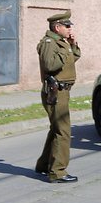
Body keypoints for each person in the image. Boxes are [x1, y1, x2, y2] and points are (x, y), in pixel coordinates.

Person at [35, 10, 81, 183]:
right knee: (63, 131)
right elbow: (51, 65)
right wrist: (65, 49)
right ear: (57, 27)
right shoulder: (49, 42)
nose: (70, 29)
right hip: (55, 92)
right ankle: (58, 171)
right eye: (67, 26)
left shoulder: (60, 42)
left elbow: (73, 58)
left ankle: (43, 165)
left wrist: (72, 45)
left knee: (56, 129)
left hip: (63, 91)